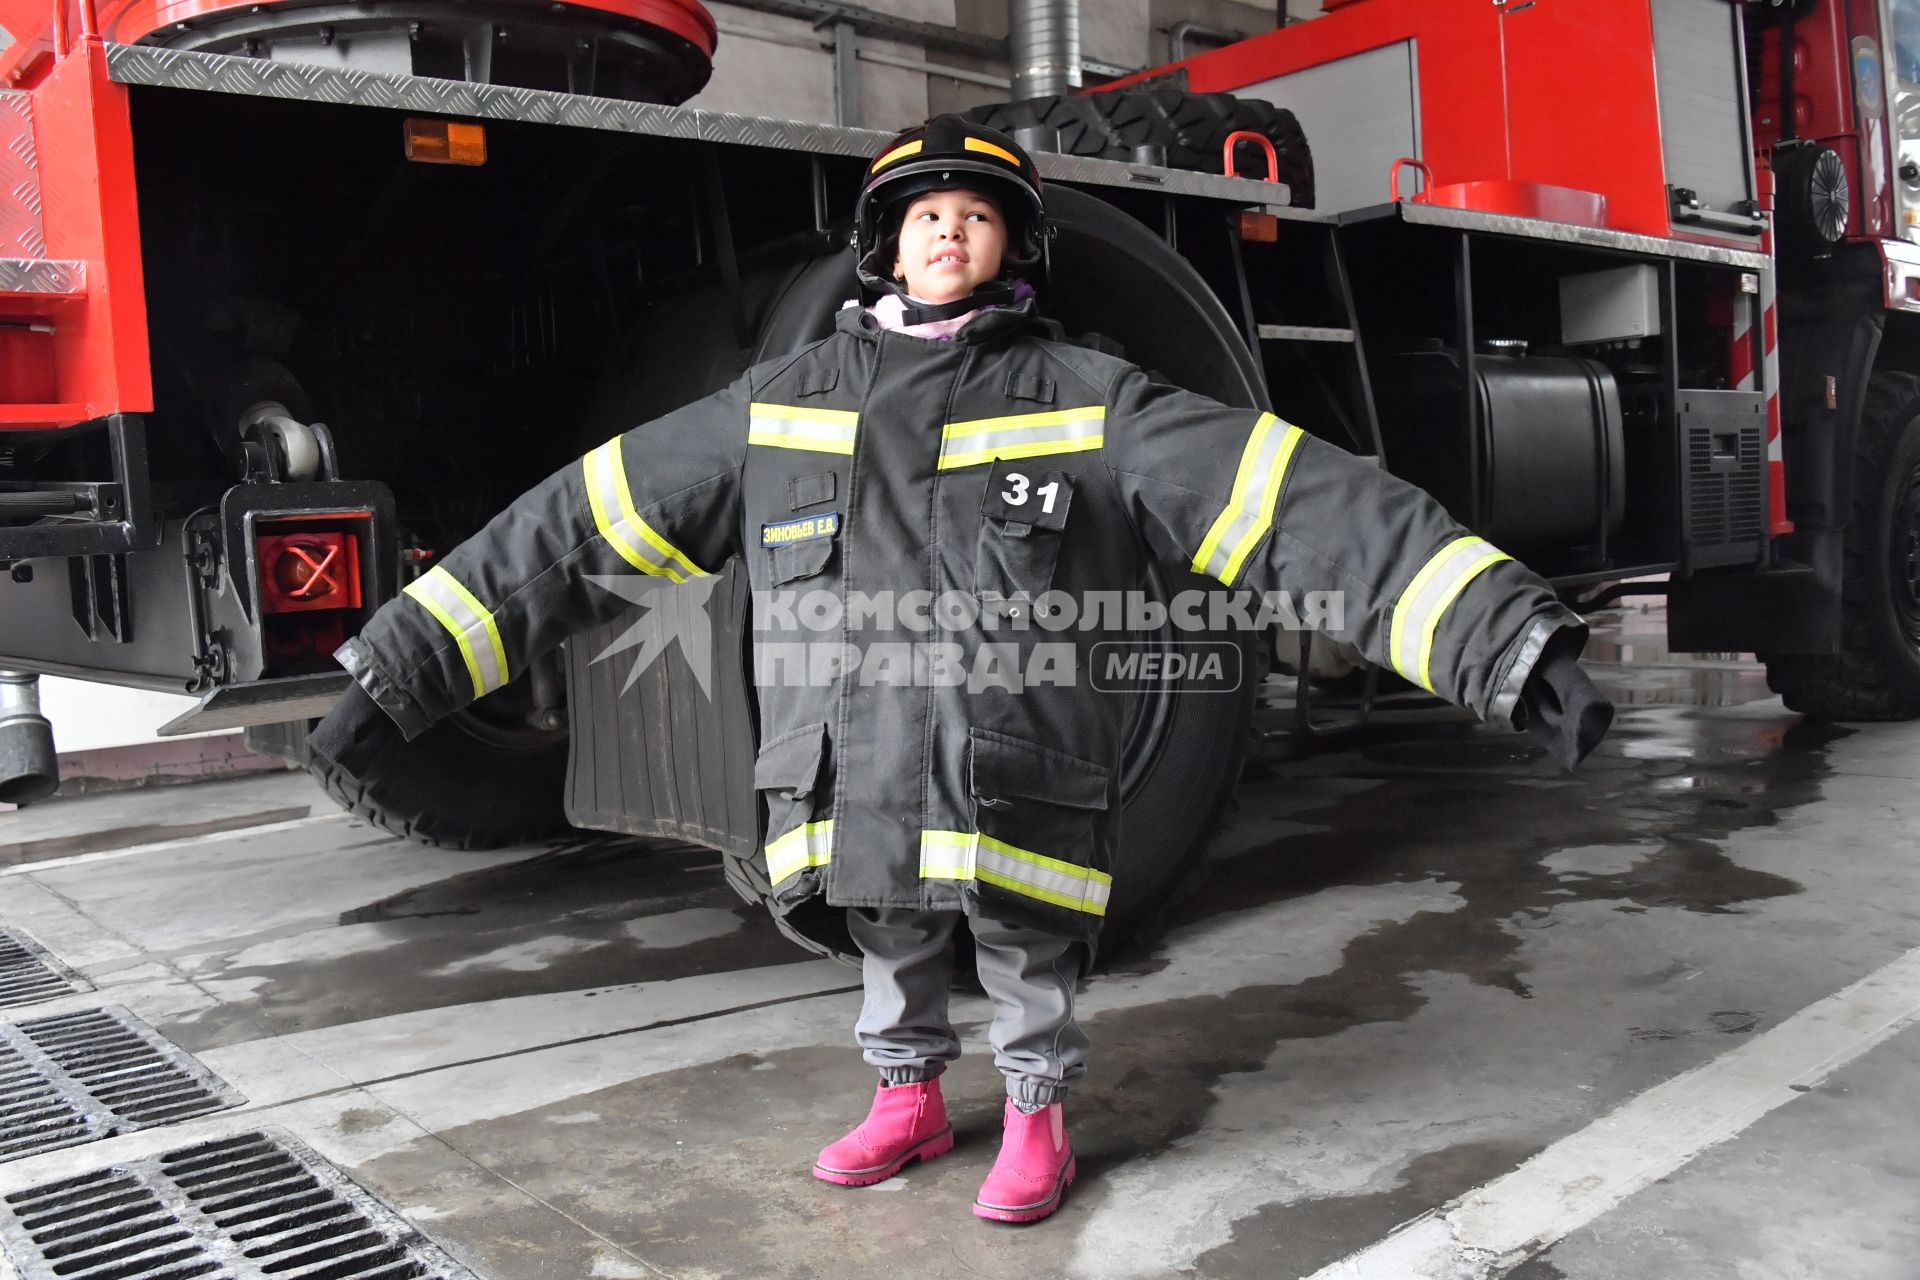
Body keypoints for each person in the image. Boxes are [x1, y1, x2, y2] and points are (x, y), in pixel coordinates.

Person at [310, 114, 1613, 1226]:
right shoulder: (785, 401)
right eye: (924, 214)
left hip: (1016, 778)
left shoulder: (1092, 398)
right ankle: (907, 1103)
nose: (948, 233)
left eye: (976, 216)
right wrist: (404, 673)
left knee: (1028, 956)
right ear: (883, 243)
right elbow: (577, 528)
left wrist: (1507, 639)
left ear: (1015, 248)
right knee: (891, 946)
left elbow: (1302, 511)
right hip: (857, 782)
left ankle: (1039, 1117)